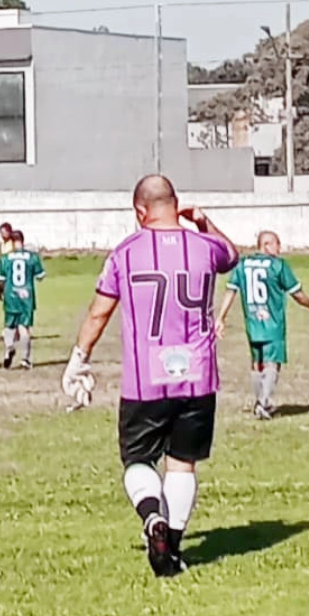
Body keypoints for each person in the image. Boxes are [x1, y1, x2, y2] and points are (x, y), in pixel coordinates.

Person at [62, 175, 238, 578]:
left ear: (140, 211)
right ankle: (170, 552)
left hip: (146, 380)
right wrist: (204, 221)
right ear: (175, 205)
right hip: (197, 377)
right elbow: (232, 255)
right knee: (182, 465)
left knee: (138, 460)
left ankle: (152, 517)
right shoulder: (205, 246)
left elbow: (99, 312)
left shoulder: (125, 253)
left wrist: (79, 358)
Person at [217, 230, 309, 420]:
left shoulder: (242, 265)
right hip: (272, 323)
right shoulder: (278, 265)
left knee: (257, 362)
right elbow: (297, 294)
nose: (279, 248)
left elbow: (231, 290)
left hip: (253, 323)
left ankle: (260, 400)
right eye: (277, 244)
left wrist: (221, 317)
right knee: (272, 362)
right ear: (267, 245)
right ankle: (264, 402)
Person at [0, 229, 45, 369]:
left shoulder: (5, 258)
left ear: (11, 242)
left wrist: (0, 293)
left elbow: (1, 280)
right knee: (24, 328)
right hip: (26, 296)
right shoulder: (32, 257)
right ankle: (25, 358)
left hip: (11, 295)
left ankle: (9, 346)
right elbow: (40, 276)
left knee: (9, 326)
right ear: (23, 241)